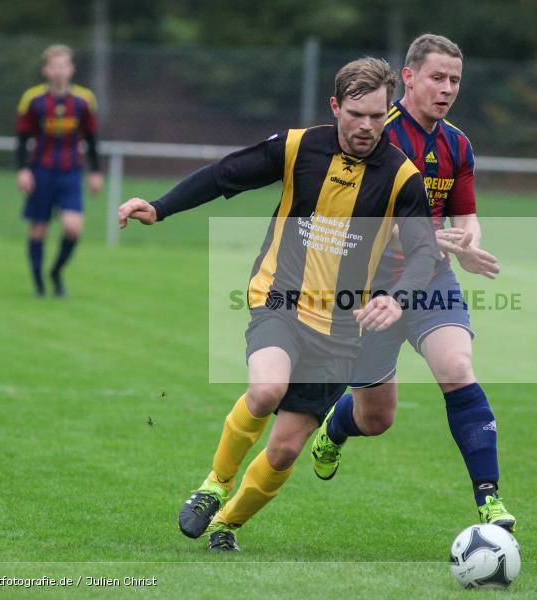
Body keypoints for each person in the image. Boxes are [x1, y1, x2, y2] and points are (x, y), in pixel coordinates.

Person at [118, 57, 439, 552]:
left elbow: (422, 251)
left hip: (341, 328)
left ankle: (226, 525)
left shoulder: (401, 177)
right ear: (336, 107)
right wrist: (160, 206)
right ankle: (213, 486)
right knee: (267, 389)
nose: (367, 126)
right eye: (357, 113)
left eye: (378, 116)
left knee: (286, 448)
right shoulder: (298, 147)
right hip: (280, 298)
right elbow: (226, 175)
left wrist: (397, 299)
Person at [310, 34, 517, 532]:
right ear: (408, 78)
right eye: (437, 78)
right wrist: (435, 238)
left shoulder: (457, 144)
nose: (447, 89)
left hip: (431, 283)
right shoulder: (376, 135)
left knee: (457, 365)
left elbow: (466, 216)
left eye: (455, 81)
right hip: (370, 290)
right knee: (377, 418)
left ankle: (489, 501)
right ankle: (335, 427)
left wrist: (465, 245)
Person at [16, 44, 103, 298]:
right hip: (41, 171)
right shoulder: (33, 99)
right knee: (39, 229)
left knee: (73, 227)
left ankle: (55, 272)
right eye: (54, 66)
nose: (59, 71)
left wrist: (96, 171)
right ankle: (39, 285)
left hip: (70, 172)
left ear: (71, 68)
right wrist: (22, 169)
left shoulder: (83, 99)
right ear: (46, 70)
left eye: (63, 65)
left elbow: (91, 137)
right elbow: (21, 137)